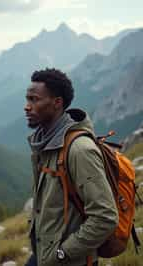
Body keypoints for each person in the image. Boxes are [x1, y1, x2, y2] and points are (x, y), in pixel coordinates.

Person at [24, 68, 118, 266]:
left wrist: (62, 254)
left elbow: (105, 217)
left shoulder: (79, 150)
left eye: (34, 100)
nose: (27, 107)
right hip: (45, 255)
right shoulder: (47, 143)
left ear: (57, 103)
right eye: (27, 99)